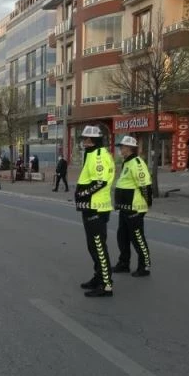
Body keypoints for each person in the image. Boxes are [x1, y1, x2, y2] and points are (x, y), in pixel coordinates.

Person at [75, 125, 116, 298]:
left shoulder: (99, 155)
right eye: (84, 138)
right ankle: (98, 277)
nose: (84, 141)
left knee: (98, 247)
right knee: (93, 246)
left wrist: (82, 194)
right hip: (91, 207)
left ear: (94, 140)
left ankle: (106, 285)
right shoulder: (92, 154)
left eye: (86, 139)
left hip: (96, 207)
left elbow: (100, 182)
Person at [113, 135, 152, 277]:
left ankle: (144, 266)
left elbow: (145, 185)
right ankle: (124, 263)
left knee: (137, 238)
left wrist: (146, 205)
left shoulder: (137, 163)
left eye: (122, 147)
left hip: (135, 208)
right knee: (122, 237)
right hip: (124, 208)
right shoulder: (127, 162)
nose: (120, 150)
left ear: (129, 148)